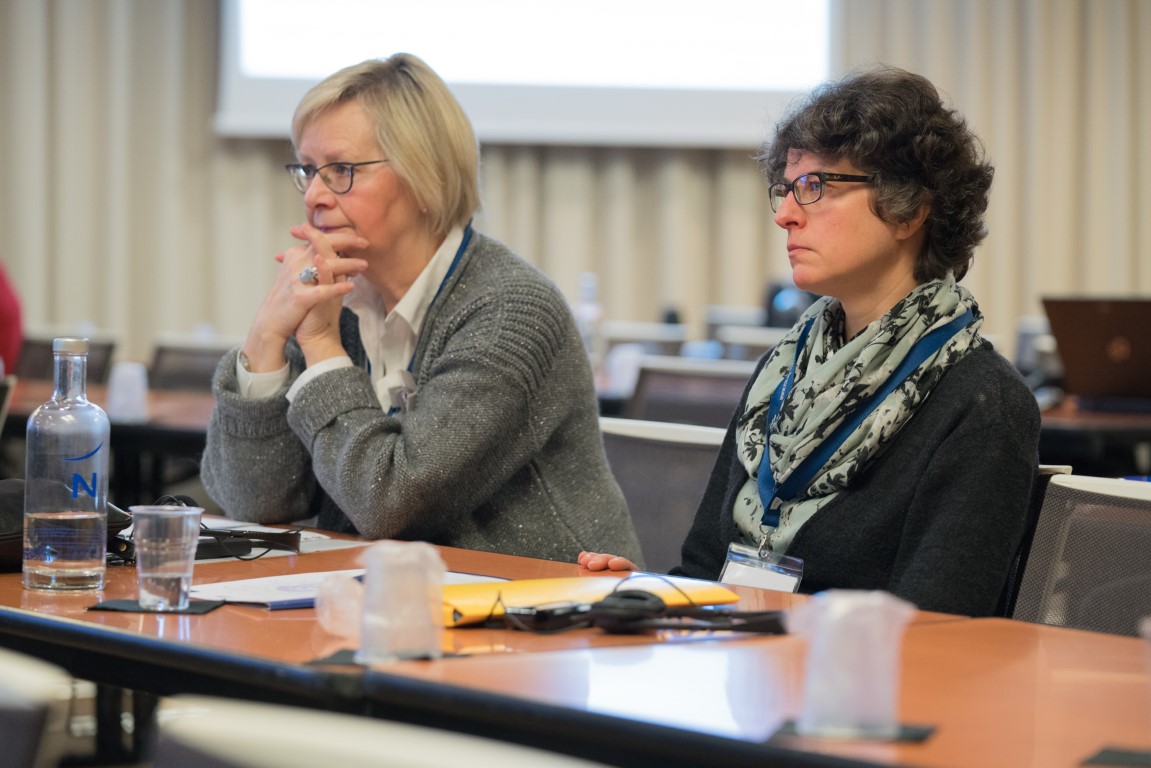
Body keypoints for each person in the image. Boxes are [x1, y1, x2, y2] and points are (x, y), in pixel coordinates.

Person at [580, 66, 1041, 616]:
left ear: (910, 208)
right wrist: (652, 596)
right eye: (786, 189)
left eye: (815, 187)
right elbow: (705, 570)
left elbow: (934, 631)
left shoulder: (983, 403)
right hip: (742, 660)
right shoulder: (782, 370)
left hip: (852, 673)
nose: (784, 215)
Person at [201, 53, 641, 564]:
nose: (315, 195)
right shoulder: (339, 300)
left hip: (546, 600)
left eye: (341, 170)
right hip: (390, 593)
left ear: (424, 178)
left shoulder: (510, 311)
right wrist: (265, 337)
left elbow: (390, 502)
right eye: (308, 169)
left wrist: (319, 346)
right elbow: (254, 502)